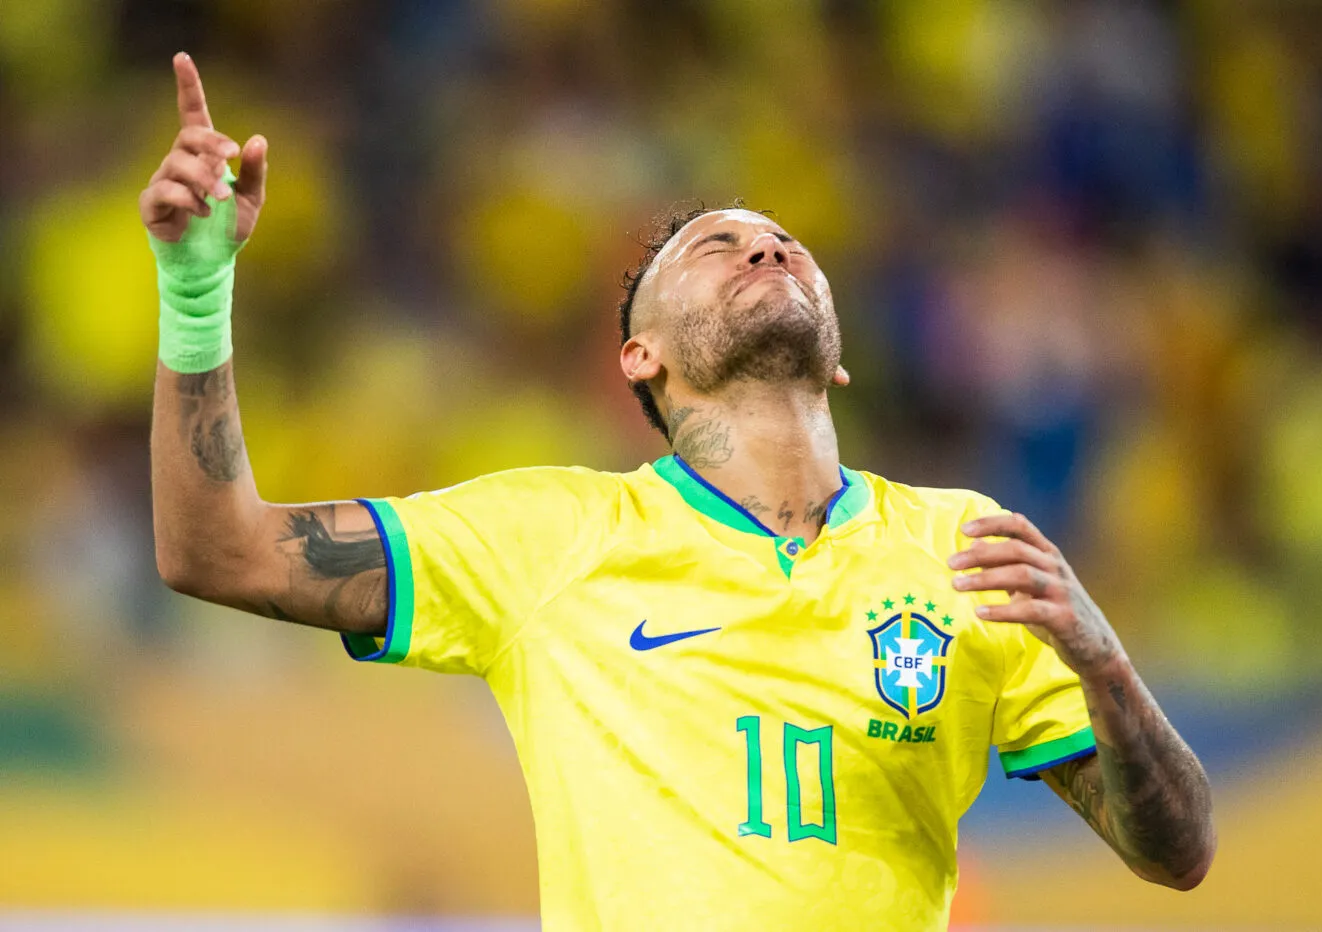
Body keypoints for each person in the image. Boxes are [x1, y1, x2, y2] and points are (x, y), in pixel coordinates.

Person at [143, 54, 1214, 931]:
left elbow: (1177, 853)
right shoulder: (551, 535)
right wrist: (196, 291)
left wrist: (1108, 670)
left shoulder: (966, 547)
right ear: (639, 356)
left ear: (838, 357)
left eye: (787, 244)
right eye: (716, 245)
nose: (767, 245)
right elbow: (218, 551)